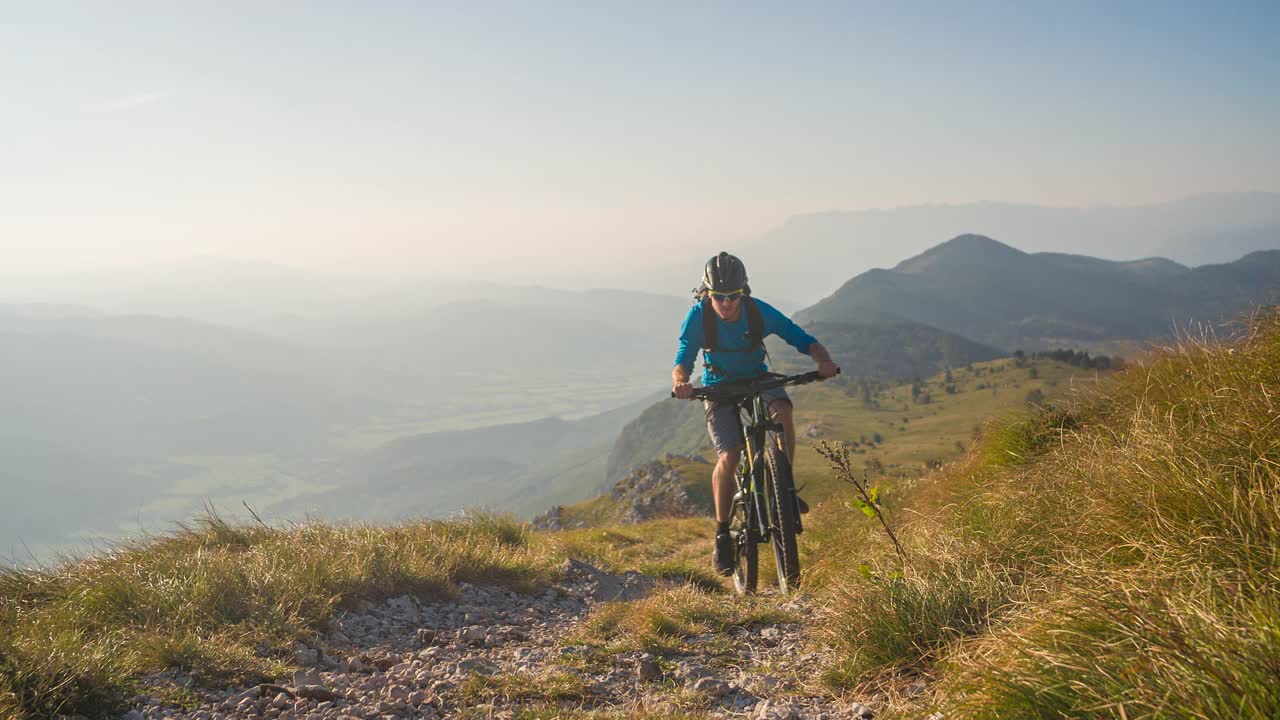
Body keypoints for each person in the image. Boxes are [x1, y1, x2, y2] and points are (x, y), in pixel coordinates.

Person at [672, 251, 839, 575]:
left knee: (783, 411)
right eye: (719, 296)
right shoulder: (699, 316)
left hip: (756, 378)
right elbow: (683, 357)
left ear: (743, 292)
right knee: (730, 455)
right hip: (717, 385)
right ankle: (722, 534)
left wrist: (823, 362)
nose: (726, 303)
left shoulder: (757, 311)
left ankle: (783, 488)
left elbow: (801, 338)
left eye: (733, 296)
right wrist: (681, 383)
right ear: (708, 293)